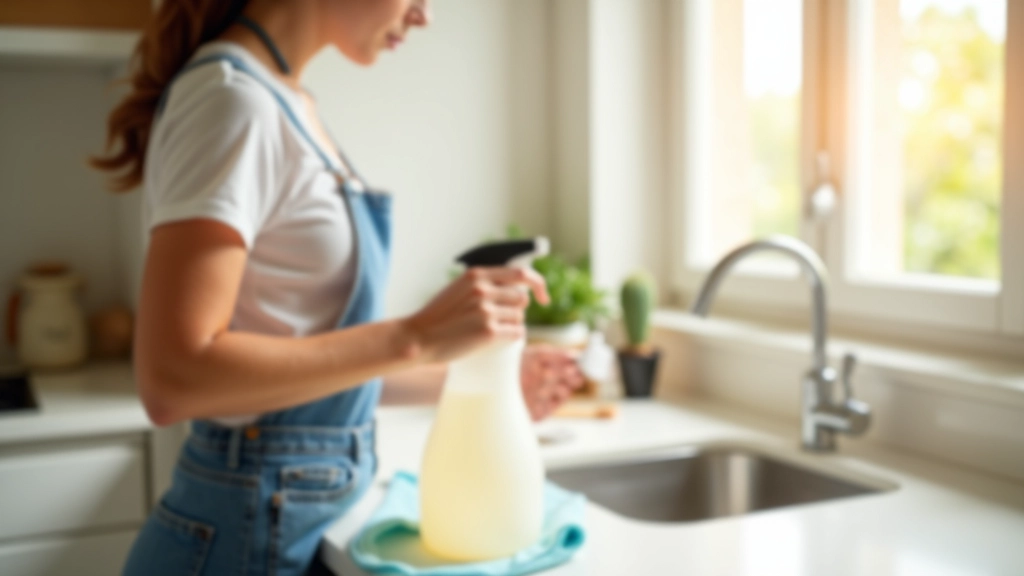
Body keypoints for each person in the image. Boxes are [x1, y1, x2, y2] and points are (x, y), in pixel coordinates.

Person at [90, 1, 585, 574]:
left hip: (284, 522)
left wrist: (466, 379)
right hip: (239, 538)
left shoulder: (285, 100)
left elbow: (302, 370)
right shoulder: (232, 100)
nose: (425, 15)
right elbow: (173, 378)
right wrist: (416, 336)